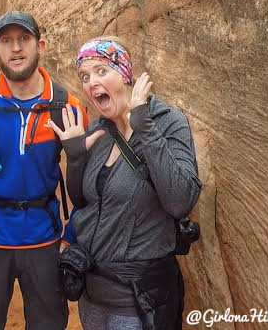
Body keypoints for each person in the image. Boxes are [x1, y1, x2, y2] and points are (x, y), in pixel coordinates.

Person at [0, 11, 86, 330]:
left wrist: (71, 234)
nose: (16, 48)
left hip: (46, 241)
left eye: (24, 39)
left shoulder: (64, 105)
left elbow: (91, 179)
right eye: (6, 40)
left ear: (41, 45)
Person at [49, 37, 202, 330]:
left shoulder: (168, 121)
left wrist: (142, 123)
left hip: (138, 302)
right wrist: (76, 156)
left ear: (125, 72)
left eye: (101, 71)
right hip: (92, 296)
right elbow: (82, 202)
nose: (91, 82)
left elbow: (180, 200)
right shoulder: (97, 129)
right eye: (85, 76)